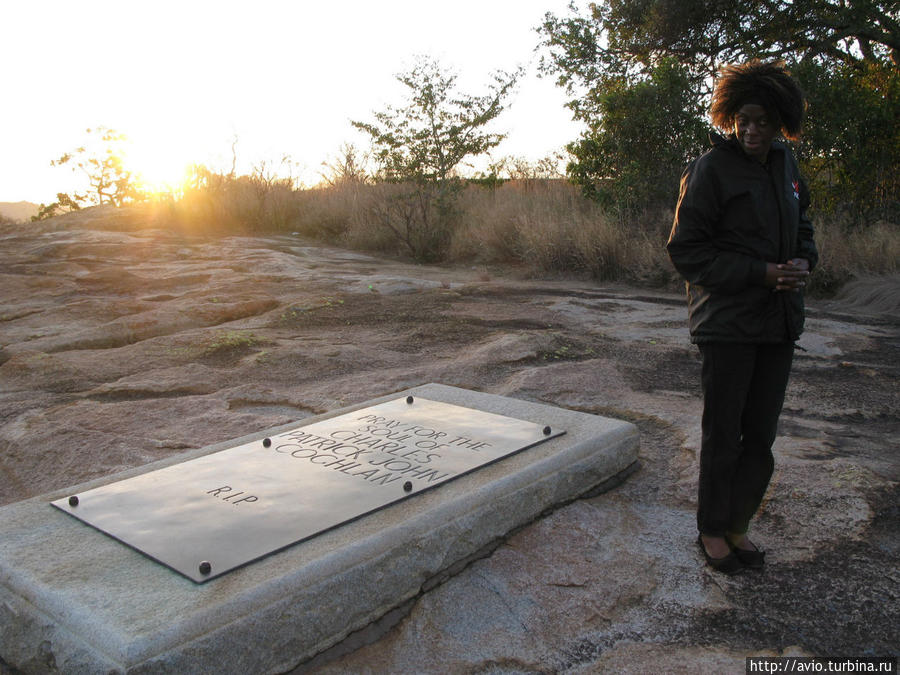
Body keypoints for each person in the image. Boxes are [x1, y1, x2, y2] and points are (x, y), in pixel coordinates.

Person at [667, 60, 818, 574]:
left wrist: (803, 261)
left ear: (780, 122)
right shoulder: (710, 169)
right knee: (723, 431)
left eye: (763, 121)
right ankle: (711, 529)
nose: (752, 130)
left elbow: (805, 226)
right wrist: (761, 273)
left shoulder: (786, 164)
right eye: (743, 120)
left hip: (778, 322)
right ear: (729, 117)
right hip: (728, 323)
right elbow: (687, 252)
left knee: (761, 436)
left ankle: (738, 525)